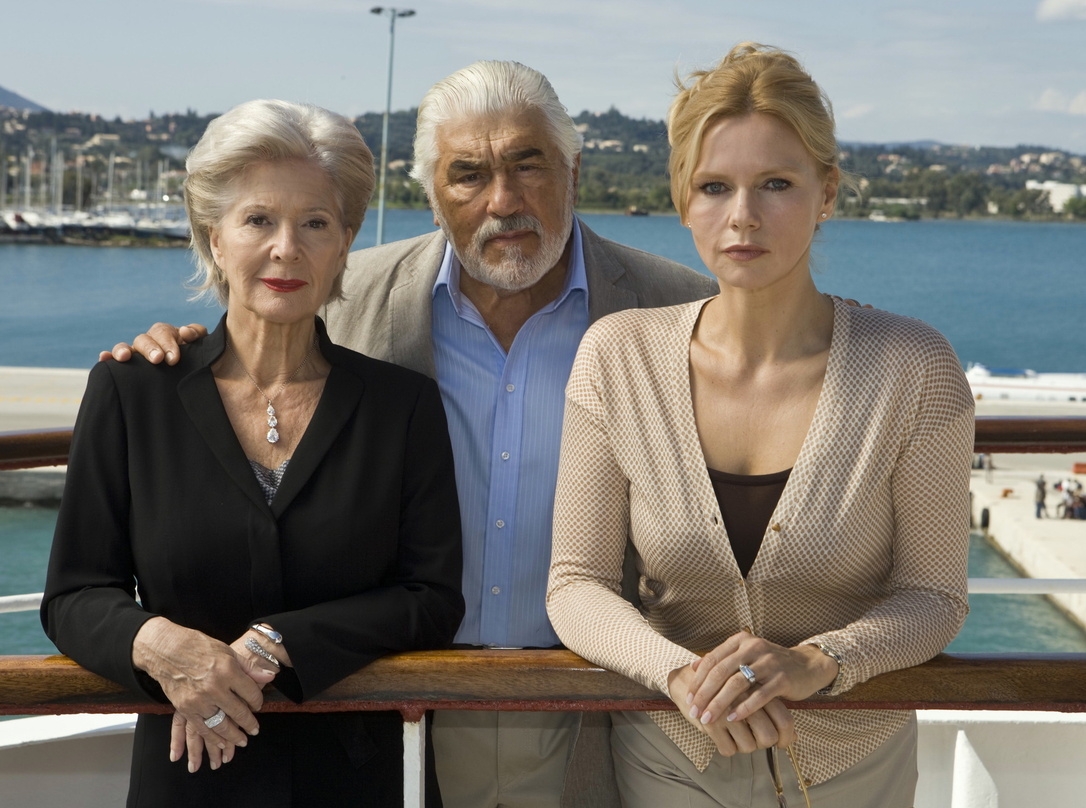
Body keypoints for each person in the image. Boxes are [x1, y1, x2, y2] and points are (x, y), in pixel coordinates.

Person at [546, 43, 974, 808]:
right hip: (673, 748)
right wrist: (679, 675)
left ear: (828, 192)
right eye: (714, 186)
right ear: (683, 201)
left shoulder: (915, 368)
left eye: (776, 183)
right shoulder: (617, 358)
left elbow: (933, 595)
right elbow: (575, 582)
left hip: (857, 754)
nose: (742, 216)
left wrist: (818, 661)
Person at [42, 99, 464, 807]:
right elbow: (75, 595)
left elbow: (432, 598)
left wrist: (276, 641)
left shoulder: (403, 406)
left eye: (316, 224)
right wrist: (161, 646)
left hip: (357, 778)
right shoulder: (131, 391)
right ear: (215, 238)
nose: (286, 248)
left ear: (345, 243)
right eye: (259, 220)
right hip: (188, 777)